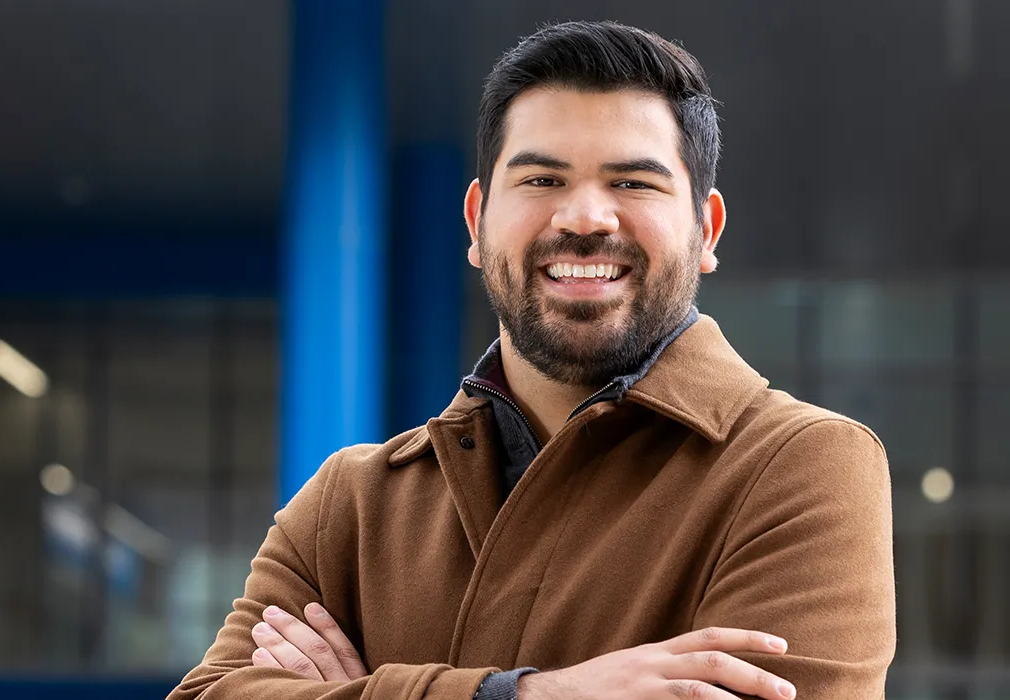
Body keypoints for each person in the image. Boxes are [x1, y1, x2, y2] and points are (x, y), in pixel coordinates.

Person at [169, 20, 895, 700]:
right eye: (542, 180)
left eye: (633, 182)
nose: (584, 218)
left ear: (705, 229)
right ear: (477, 223)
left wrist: (366, 687)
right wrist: (526, 694)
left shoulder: (803, 469)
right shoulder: (349, 506)